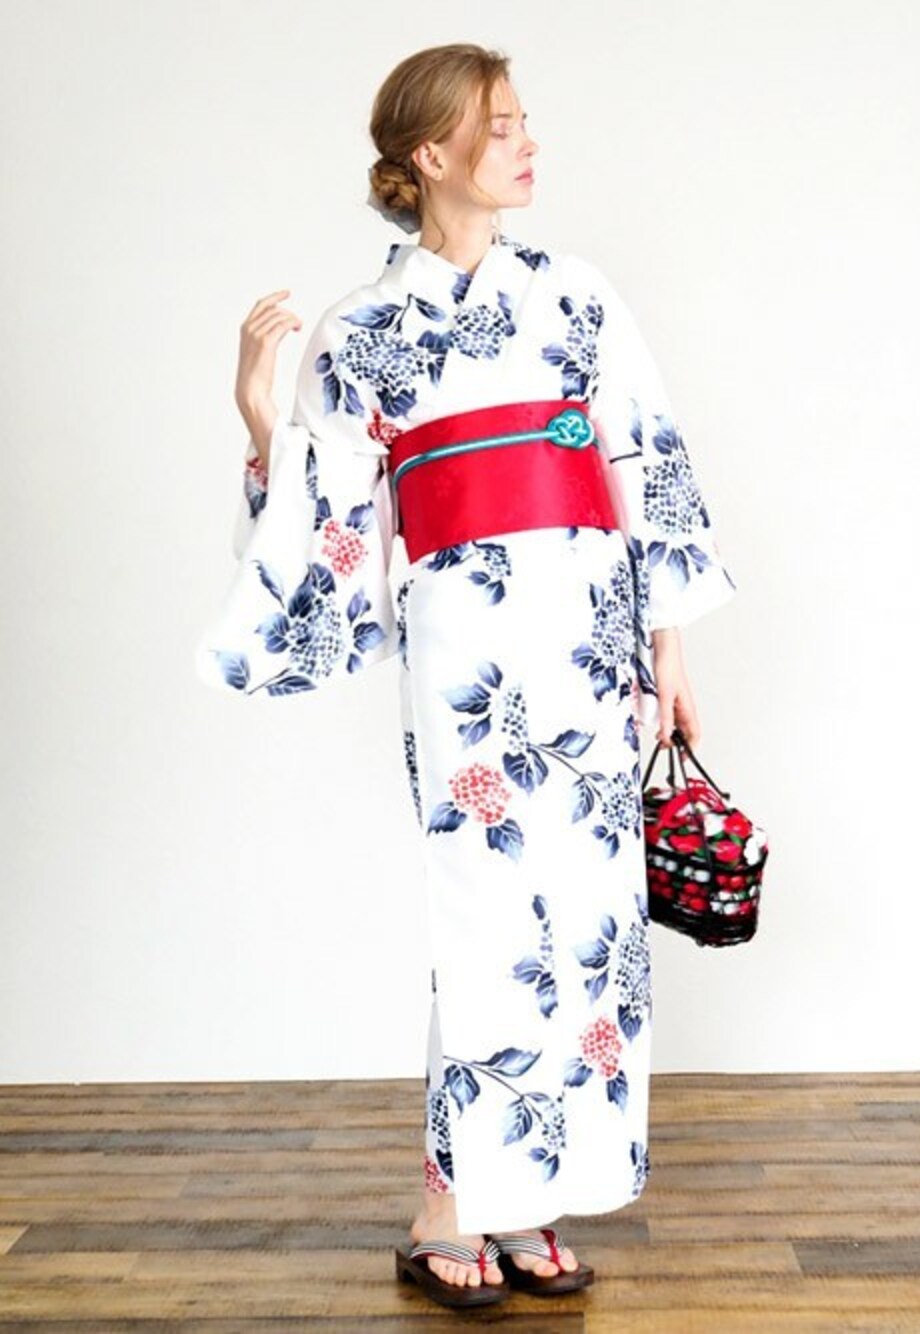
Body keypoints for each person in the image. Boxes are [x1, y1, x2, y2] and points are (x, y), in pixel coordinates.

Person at [194, 42, 737, 1310]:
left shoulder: (577, 296)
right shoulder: (362, 330)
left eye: (524, 120)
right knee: (486, 916)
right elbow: (335, 524)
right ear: (429, 153)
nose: (527, 142)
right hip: (467, 652)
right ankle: (448, 1202)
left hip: (592, 635)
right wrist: (263, 419)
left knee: (591, 923)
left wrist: (668, 646)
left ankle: (534, 1195)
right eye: (500, 126)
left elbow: (644, 461)